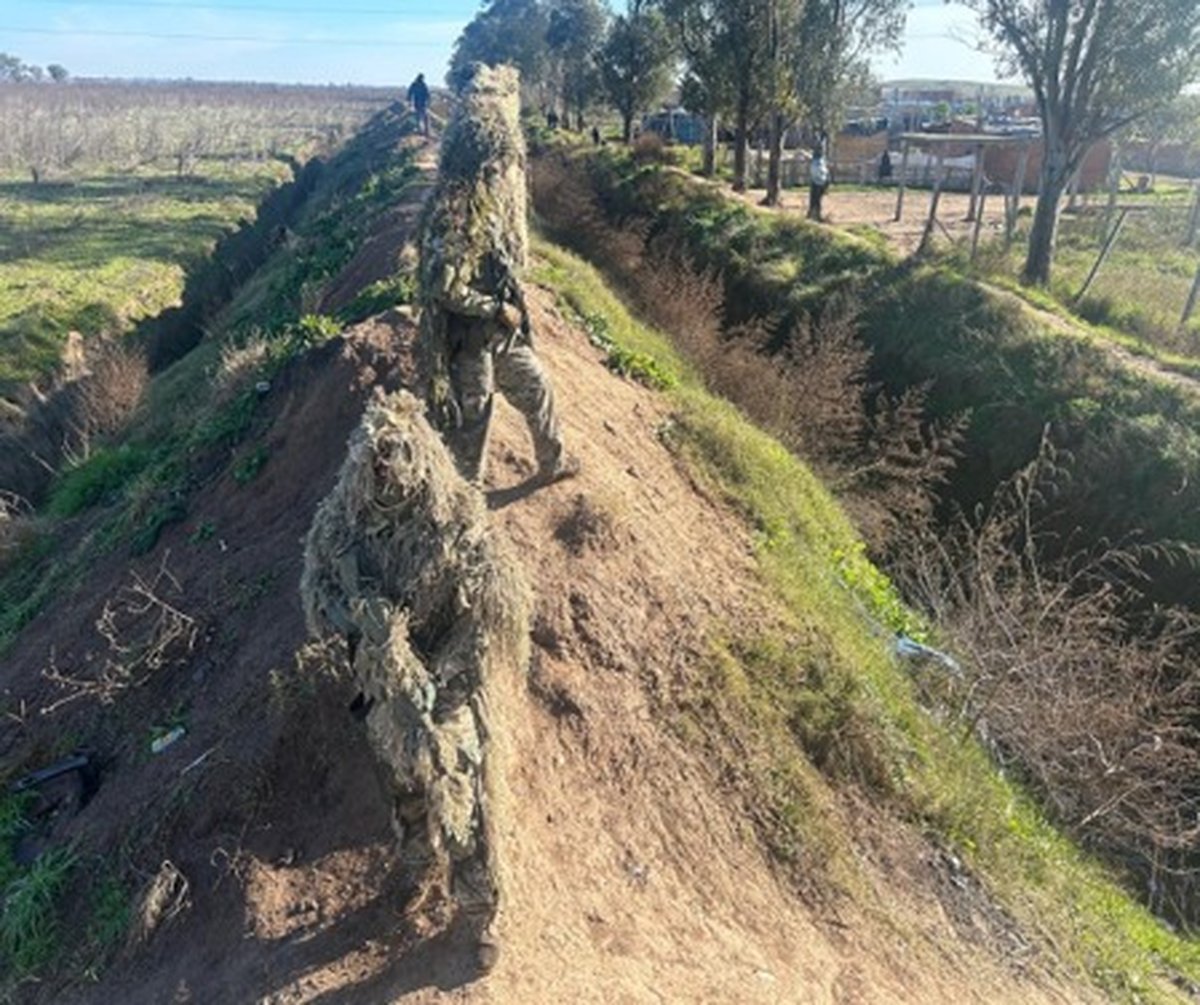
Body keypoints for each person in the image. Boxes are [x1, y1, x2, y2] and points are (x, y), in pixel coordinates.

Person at [418, 63, 578, 488]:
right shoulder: (453, 214)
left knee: (538, 389)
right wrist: (496, 307)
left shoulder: (492, 208)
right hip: (470, 340)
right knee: (473, 425)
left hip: (501, 332)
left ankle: (553, 461)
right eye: (495, 167)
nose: (502, 174)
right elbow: (445, 287)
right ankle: (462, 503)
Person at [808, 139, 830, 221]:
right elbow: (821, 171)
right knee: (816, 200)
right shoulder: (818, 161)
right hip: (818, 182)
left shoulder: (820, 161)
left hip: (817, 181)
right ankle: (814, 214)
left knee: (816, 199)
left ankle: (814, 214)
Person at [408, 72, 430, 136]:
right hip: (419, 103)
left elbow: (410, 93)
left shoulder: (418, 84)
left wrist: (409, 101)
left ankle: (423, 130)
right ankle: (422, 130)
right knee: (421, 117)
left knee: (420, 117)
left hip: (420, 103)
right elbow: (410, 93)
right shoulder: (420, 85)